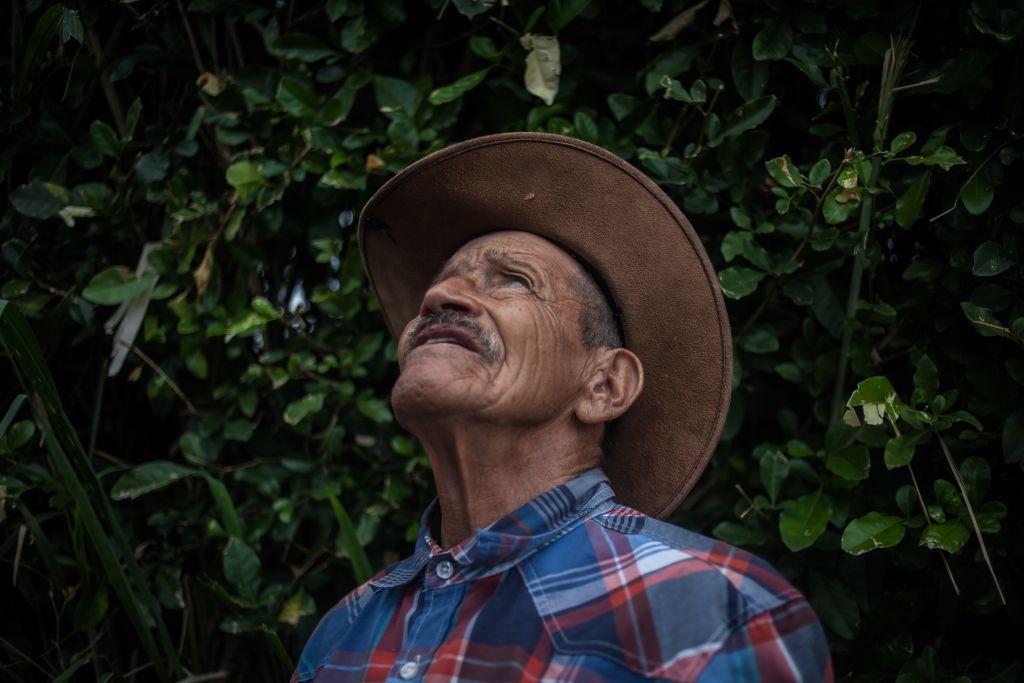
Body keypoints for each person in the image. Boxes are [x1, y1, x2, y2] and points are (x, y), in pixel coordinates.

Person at [291, 133, 833, 682]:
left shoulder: (712, 613)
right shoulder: (345, 630)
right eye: (439, 284)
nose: (438, 298)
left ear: (605, 386)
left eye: (515, 281)